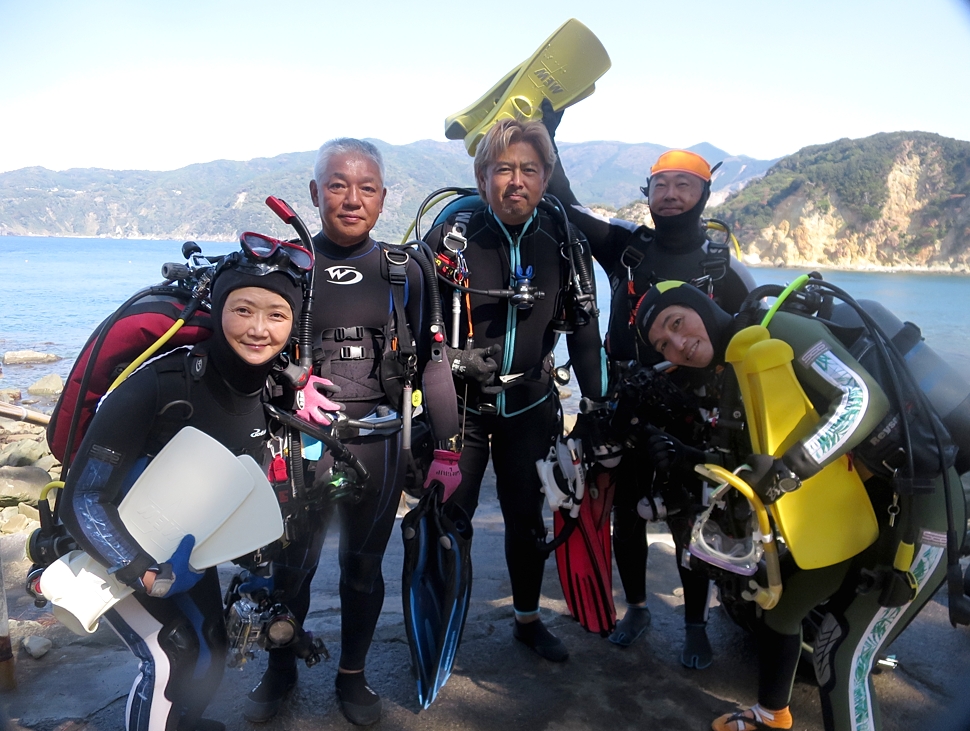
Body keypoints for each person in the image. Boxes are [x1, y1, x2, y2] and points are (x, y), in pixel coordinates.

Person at [634, 280, 966, 731]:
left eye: (677, 323)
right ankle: (773, 715)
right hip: (848, 511)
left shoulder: (783, 329)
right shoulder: (736, 366)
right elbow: (753, 462)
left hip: (918, 508)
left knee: (841, 652)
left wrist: (793, 466)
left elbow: (860, 400)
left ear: (701, 307)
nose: (678, 344)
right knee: (782, 610)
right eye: (662, 344)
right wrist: (687, 458)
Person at [244, 138, 461, 726]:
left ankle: (352, 675)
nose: (351, 198)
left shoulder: (406, 270)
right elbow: (246, 349)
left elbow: (435, 362)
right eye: (337, 185)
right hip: (299, 439)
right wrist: (290, 377)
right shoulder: (285, 267)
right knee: (292, 567)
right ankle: (281, 667)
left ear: (384, 198)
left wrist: (448, 446)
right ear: (315, 193)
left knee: (363, 568)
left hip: (380, 442)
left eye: (366, 188)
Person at [60, 243, 308, 731]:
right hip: (110, 543)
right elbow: (83, 498)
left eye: (277, 314)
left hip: (178, 547)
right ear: (217, 310)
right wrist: (143, 571)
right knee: (172, 654)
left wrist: (254, 561)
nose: (259, 329)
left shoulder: (266, 390)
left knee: (209, 647)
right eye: (243, 310)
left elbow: (235, 483)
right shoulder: (158, 387)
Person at [541, 101, 756, 663]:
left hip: (697, 412)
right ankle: (637, 608)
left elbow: (754, 339)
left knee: (691, 516)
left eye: (684, 184)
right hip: (630, 403)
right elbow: (565, 205)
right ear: (649, 192)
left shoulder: (723, 268)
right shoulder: (629, 248)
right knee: (627, 512)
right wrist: (548, 131)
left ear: (703, 195)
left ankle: (695, 623)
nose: (671, 194)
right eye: (661, 184)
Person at [423, 118, 609, 662]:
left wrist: (594, 405)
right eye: (502, 169)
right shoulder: (453, 235)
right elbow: (412, 328)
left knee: (526, 521)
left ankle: (528, 621)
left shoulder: (562, 238)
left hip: (531, 406)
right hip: (462, 411)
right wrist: (455, 360)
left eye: (529, 169)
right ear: (482, 178)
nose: (516, 181)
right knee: (449, 523)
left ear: (547, 175)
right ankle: (443, 627)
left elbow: (586, 333)